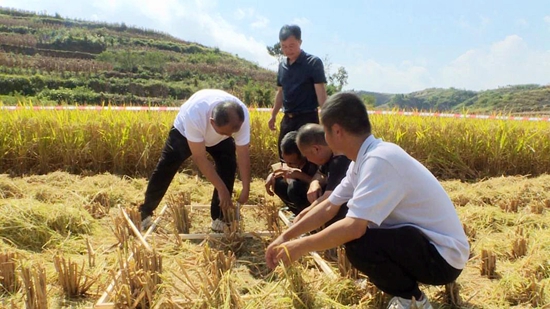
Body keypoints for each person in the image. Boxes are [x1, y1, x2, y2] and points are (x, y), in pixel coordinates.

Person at [265, 92, 470, 309]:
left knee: (359, 243)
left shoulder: (379, 161)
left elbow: (354, 228)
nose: (324, 137)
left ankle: (413, 301)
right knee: (356, 233)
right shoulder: (362, 161)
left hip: (443, 259)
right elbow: (328, 206)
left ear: (336, 131)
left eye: (325, 131)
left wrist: (299, 247)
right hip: (424, 245)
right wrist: (287, 237)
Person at [139, 89, 251, 232]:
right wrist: (221, 189)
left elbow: (243, 153)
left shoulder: (240, 117)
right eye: (224, 132)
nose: (230, 135)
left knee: (228, 165)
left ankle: (220, 218)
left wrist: (246, 188)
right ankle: (144, 212)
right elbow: (200, 158)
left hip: (216, 134)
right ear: (212, 122)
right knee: (166, 167)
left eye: (232, 133)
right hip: (184, 133)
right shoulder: (195, 114)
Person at [268, 24, 328, 159]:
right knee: (285, 155)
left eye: (291, 45)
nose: (288, 50)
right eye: (284, 46)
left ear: (300, 42)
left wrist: (326, 118)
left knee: (308, 158)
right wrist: (273, 115)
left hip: (307, 119)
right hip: (287, 119)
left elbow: (321, 94)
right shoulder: (282, 66)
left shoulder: (313, 63)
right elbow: (280, 92)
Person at [294, 123, 351, 227]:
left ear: (316, 149)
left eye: (307, 155)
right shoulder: (329, 155)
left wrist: (302, 217)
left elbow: (329, 199)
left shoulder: (340, 161)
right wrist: (314, 183)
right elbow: (320, 173)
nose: (308, 160)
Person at [265, 131, 318, 216]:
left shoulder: (315, 161)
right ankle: (298, 214)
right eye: (285, 161)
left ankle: (311, 219)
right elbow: (282, 168)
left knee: (294, 188)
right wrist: (272, 175)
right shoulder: (290, 161)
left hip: (317, 200)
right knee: (278, 182)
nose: (288, 165)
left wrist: (300, 176)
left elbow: (322, 184)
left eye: (292, 163)